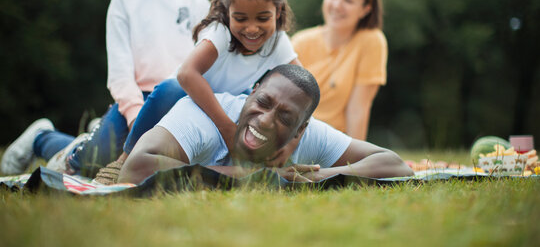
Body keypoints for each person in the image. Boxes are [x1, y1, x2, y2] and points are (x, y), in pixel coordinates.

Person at [0, 0, 209, 176]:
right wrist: (135, 116)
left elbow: (209, 57)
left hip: (183, 99)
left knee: (162, 167)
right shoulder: (123, 1)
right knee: (90, 164)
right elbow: (120, 73)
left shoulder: (195, 0)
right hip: (137, 101)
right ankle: (40, 138)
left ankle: (96, 132)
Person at [103, 0, 300, 178]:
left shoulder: (278, 41)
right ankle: (123, 159)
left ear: (279, 12)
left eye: (263, 18)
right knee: (171, 89)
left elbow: (304, 91)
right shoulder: (219, 31)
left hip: (222, 106)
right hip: (184, 100)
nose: (252, 28)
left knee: (255, 99)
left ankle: (243, 166)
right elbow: (187, 75)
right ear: (227, 12)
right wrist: (227, 129)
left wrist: (292, 142)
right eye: (241, 18)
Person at [118, 64, 413, 184]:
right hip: (126, 131)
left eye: (285, 118)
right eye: (263, 102)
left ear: (300, 129)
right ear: (253, 91)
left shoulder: (311, 135)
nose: (267, 121)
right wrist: (258, 177)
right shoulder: (202, 116)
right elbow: (134, 168)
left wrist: (317, 177)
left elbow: (395, 165)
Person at [291, 0, 387, 140]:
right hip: (292, 137)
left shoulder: (371, 41)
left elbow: (358, 109)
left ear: (365, 9)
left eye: (348, 0)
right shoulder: (300, 41)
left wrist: (355, 163)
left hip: (333, 143)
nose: (337, 5)